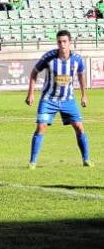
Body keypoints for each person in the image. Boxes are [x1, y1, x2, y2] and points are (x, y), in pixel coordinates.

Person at [25, 30, 92, 169]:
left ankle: (86, 159)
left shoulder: (77, 59)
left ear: (70, 43)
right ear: (57, 43)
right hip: (49, 99)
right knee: (40, 127)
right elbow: (34, 73)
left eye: (65, 41)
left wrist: (84, 95)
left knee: (79, 127)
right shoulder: (49, 57)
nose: (62, 44)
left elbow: (81, 76)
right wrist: (31, 93)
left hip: (68, 100)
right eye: (59, 42)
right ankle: (32, 161)